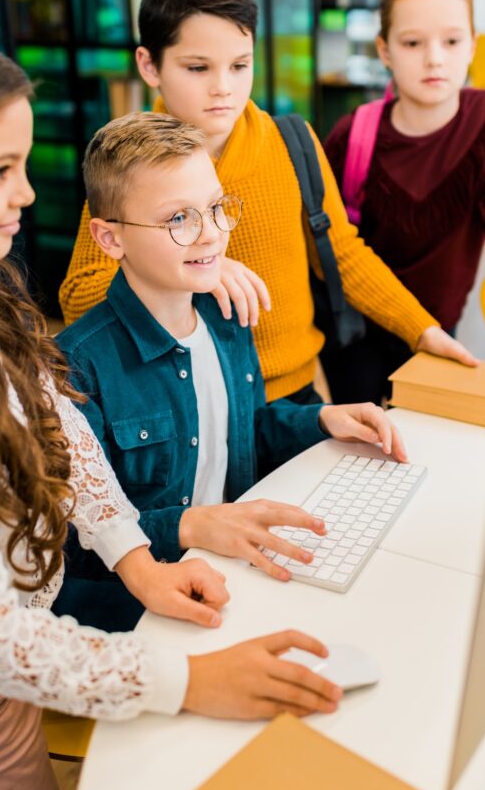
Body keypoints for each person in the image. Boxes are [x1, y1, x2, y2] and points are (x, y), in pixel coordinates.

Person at [0, 16, 342, 790]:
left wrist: (134, 556)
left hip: (29, 651)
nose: (28, 194)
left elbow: (57, 428)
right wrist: (185, 679)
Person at [59, 0, 476, 406]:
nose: (223, 87)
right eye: (198, 68)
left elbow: (343, 254)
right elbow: (78, 295)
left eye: (239, 66)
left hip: (294, 393)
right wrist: (193, 275)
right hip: (189, 405)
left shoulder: (290, 143)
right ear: (149, 66)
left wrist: (422, 329)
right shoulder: (131, 162)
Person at [53, 111, 408, 632]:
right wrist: (193, 525)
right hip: (135, 619)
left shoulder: (226, 318)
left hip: (232, 578)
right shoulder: (74, 366)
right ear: (109, 239)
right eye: (178, 218)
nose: (212, 234)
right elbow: (70, 542)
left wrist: (321, 420)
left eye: (216, 208)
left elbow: (240, 434)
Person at [323, 0, 485, 403]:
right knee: (359, 458)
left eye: (451, 40)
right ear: (385, 50)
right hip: (353, 340)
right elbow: (323, 246)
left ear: (472, 45)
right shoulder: (353, 135)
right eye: (412, 42)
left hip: (440, 334)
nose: (434, 59)